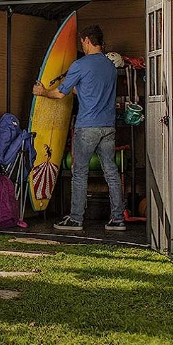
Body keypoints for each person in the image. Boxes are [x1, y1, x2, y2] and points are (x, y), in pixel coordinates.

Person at [32, 24, 125, 232]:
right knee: (111, 171)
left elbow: (60, 94)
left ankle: (75, 219)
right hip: (108, 126)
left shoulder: (80, 65)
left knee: (80, 173)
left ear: (87, 41)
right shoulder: (110, 66)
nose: (82, 45)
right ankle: (118, 219)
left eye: (82, 41)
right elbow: (90, 90)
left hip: (87, 127)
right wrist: (77, 86)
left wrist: (42, 92)